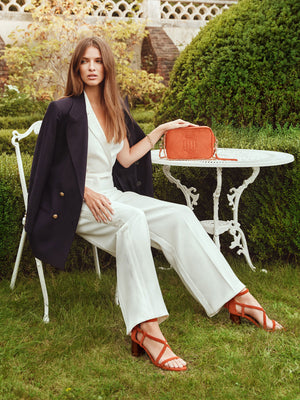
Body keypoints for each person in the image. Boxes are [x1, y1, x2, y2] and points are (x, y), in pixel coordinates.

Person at [25, 37, 283, 372]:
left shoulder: (116, 106)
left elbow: (127, 159)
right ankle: (146, 329)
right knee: (132, 220)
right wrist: (84, 192)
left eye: (98, 61)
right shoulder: (62, 110)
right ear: (76, 67)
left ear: (107, 67)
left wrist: (159, 130)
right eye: (85, 62)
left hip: (113, 196)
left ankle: (236, 299)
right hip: (78, 204)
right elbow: (44, 168)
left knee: (179, 215)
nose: (91, 67)